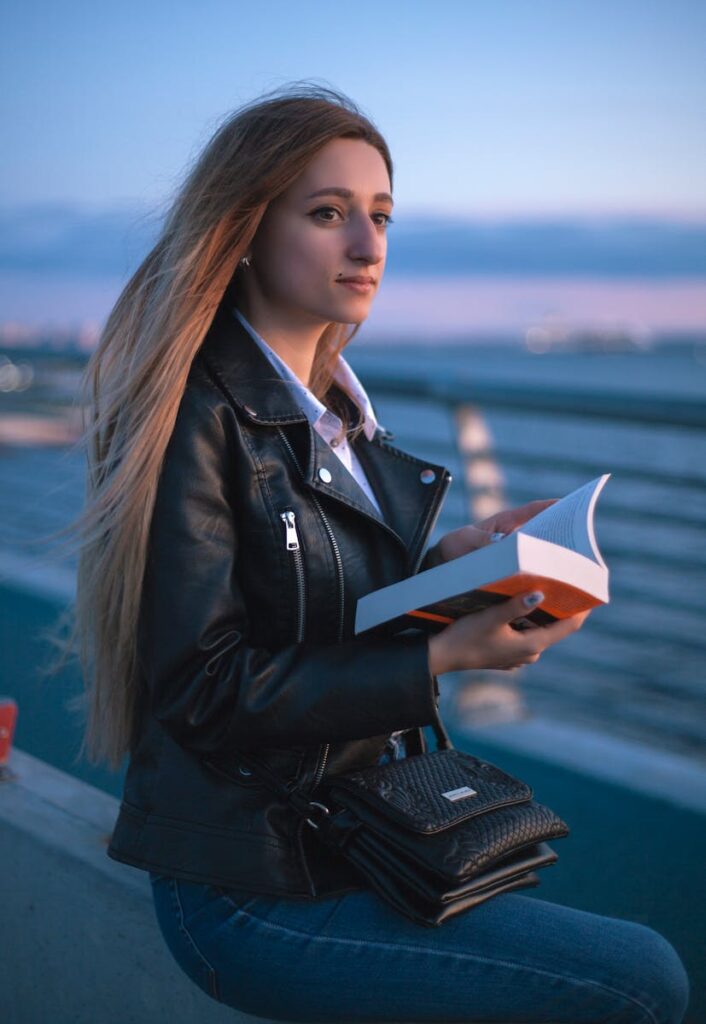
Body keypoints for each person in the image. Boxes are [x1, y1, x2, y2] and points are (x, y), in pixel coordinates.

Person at [69, 84, 689, 1023]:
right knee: (640, 978)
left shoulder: (342, 417)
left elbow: (312, 597)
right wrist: (442, 656)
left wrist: (454, 563)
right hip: (247, 887)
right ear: (243, 229)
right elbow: (202, 688)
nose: (368, 246)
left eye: (381, 215)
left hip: (362, 840)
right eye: (329, 214)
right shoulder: (196, 418)